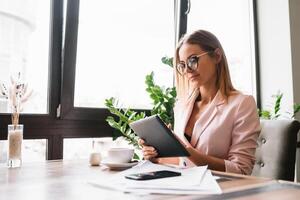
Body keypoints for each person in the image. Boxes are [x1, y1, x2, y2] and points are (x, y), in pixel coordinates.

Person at [139, 30, 261, 175]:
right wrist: (157, 156)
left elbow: (241, 169)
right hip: (186, 187)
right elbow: (183, 162)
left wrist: (187, 150)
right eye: (183, 65)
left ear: (216, 56)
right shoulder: (182, 105)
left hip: (221, 192)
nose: (187, 71)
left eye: (193, 60)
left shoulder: (242, 104)